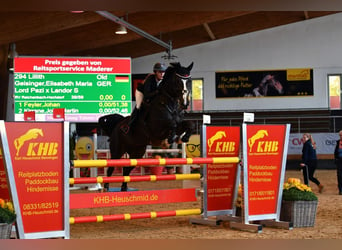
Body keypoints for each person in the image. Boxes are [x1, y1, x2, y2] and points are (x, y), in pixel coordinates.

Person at [127, 62, 167, 131]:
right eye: (160, 72)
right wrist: (158, 91)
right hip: (141, 92)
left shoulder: (165, 80)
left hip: (154, 94)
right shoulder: (150, 79)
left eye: (163, 72)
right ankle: (129, 125)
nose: (162, 74)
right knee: (138, 106)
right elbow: (147, 95)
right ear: (155, 72)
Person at [334, 130, 342, 195]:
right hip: (339, 161)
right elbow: (336, 151)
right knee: (339, 175)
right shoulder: (338, 142)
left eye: (341, 135)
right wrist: (336, 159)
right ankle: (340, 190)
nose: (341, 136)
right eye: (340, 135)